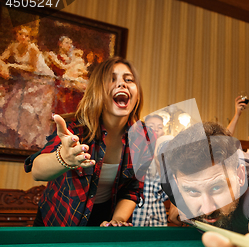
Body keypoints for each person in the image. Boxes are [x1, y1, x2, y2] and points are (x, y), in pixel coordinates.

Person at [24, 57, 153, 227]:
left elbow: (132, 190)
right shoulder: (75, 127)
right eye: (111, 79)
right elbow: (37, 171)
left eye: (129, 80)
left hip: (103, 221)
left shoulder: (143, 137)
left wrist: (119, 220)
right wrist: (64, 158)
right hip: (57, 223)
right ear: (97, 90)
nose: (122, 84)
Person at [0, 24, 55, 149]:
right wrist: (3, 66)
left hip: (42, 80)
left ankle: (30, 141)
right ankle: (21, 137)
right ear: (16, 35)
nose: (23, 37)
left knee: (32, 109)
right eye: (21, 34)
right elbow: (2, 59)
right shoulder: (13, 46)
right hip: (27, 79)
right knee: (15, 105)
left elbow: (33, 69)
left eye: (26, 35)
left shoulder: (33, 49)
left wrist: (12, 66)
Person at [132, 114, 169, 226]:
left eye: (160, 127)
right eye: (151, 126)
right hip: (135, 215)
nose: (156, 130)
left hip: (158, 217)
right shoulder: (134, 152)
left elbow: (167, 192)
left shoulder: (165, 157)